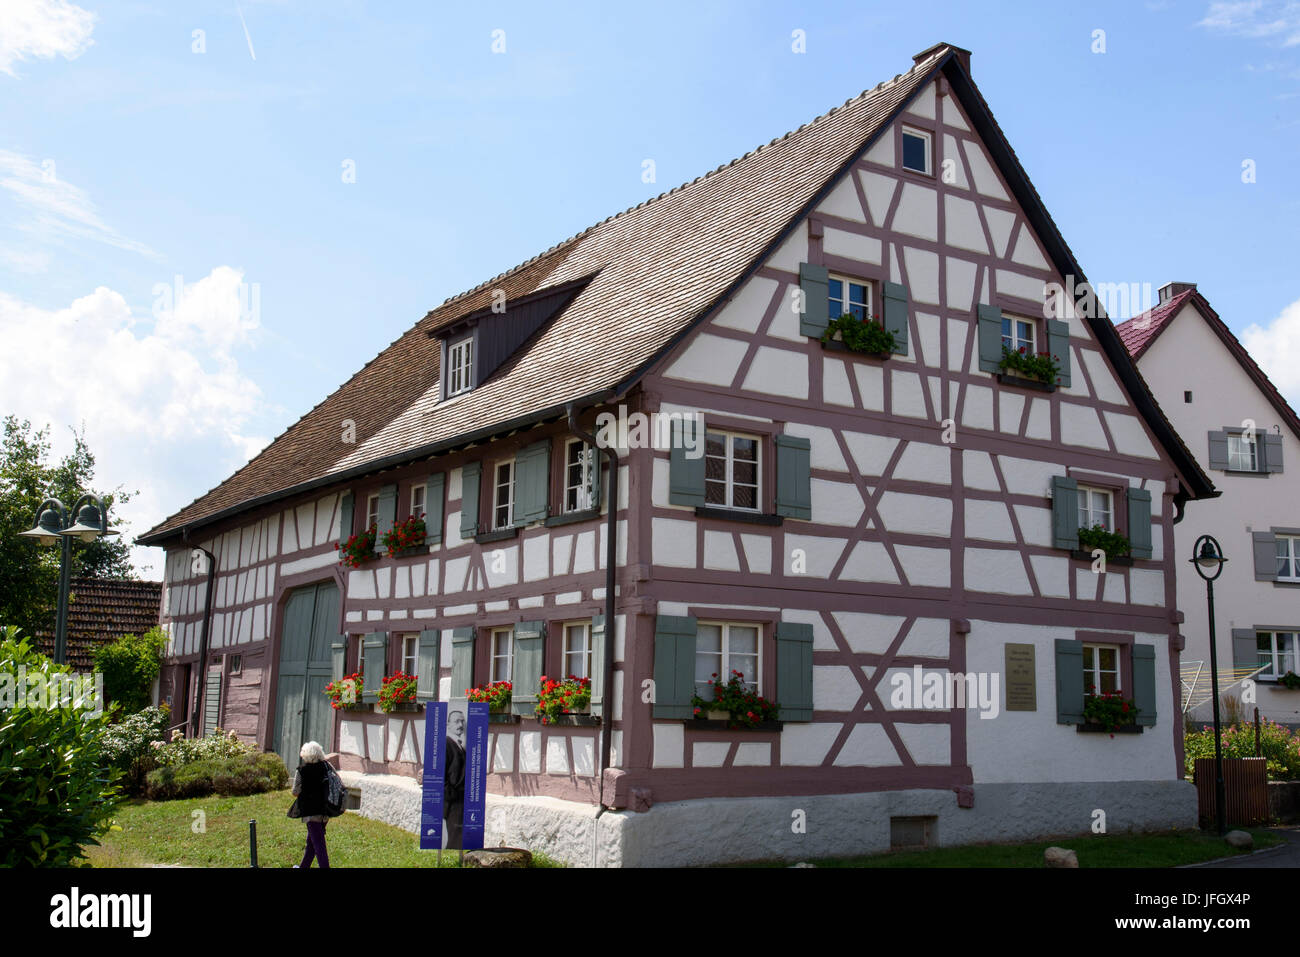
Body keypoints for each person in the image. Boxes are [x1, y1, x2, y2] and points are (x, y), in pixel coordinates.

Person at [291, 741, 337, 868]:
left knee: (319, 845)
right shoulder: (327, 767)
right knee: (312, 841)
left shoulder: (302, 770)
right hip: (325, 810)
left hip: (311, 812)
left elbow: (295, 792)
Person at [443, 710, 466, 850]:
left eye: (462, 721)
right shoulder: (446, 743)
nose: (460, 725)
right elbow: (442, 774)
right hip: (453, 802)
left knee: (458, 837)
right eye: (456, 721)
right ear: (448, 724)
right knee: (454, 838)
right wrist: (452, 795)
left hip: (459, 801)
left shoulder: (459, 745)